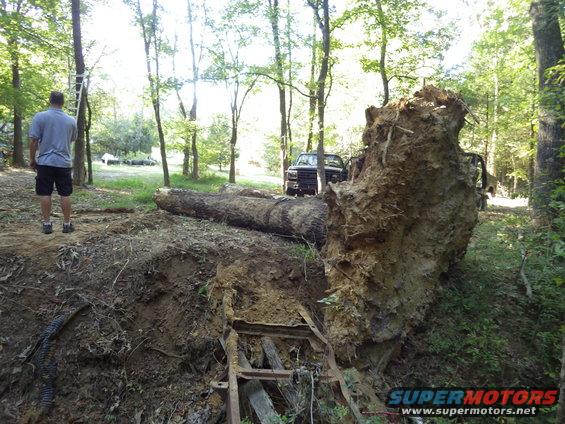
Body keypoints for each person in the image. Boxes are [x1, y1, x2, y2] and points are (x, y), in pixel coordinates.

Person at [29, 91, 77, 234]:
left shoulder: (40, 117)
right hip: (64, 163)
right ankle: (67, 224)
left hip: (45, 162)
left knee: (45, 193)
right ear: (63, 103)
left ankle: (47, 224)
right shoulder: (71, 120)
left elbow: (33, 141)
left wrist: (32, 160)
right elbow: (72, 139)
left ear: (50, 101)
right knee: (65, 194)